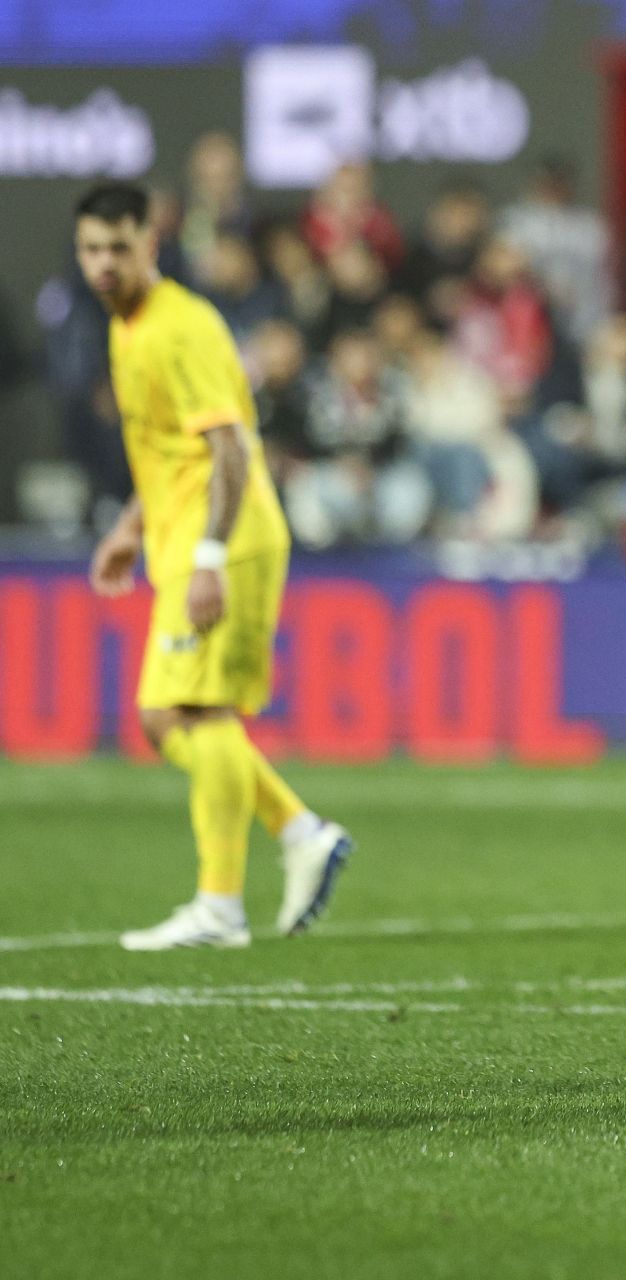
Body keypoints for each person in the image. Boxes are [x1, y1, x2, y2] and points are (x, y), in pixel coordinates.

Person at [73, 182, 354, 951]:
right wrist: (131, 525)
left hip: (225, 542)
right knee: (171, 716)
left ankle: (222, 905)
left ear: (150, 244)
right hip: (184, 537)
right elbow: (170, 448)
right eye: (92, 250)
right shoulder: (127, 329)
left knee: (193, 715)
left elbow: (229, 447)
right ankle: (299, 832)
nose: (104, 264)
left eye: (118, 249)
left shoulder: (180, 327)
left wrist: (206, 558)